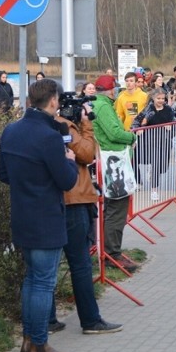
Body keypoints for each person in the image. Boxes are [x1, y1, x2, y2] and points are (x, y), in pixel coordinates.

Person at [0, 79, 78, 352]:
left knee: (32, 280)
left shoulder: (11, 130)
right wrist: (68, 158)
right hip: (46, 219)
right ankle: (40, 346)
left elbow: (3, 174)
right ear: (53, 101)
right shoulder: (50, 138)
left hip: (22, 215)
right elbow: (67, 180)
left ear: (30, 100)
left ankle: (29, 339)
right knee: (43, 283)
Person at [50, 89, 123, 336]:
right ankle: (90, 320)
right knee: (80, 263)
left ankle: (48, 319)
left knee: (48, 266)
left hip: (53, 202)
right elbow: (87, 154)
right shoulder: (65, 127)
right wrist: (86, 125)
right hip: (74, 200)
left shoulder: (45, 125)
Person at [91, 74, 139, 271]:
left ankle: (109, 251)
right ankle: (112, 254)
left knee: (113, 209)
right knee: (117, 209)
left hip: (112, 160)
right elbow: (114, 133)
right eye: (115, 89)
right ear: (111, 90)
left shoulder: (99, 104)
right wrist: (131, 137)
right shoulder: (102, 106)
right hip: (114, 161)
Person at [131, 88, 176, 201]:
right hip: (150, 141)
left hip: (164, 141)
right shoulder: (148, 109)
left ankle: (153, 173)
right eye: (158, 98)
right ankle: (154, 190)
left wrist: (171, 127)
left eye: (163, 98)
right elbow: (136, 122)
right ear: (153, 98)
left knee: (163, 167)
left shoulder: (169, 109)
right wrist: (139, 128)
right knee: (155, 164)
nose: (161, 100)